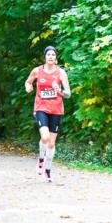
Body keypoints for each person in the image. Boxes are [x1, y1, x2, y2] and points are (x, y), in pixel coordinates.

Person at [24, 46, 70, 183]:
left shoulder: (61, 73)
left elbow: (68, 94)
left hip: (56, 110)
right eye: (48, 54)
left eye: (53, 55)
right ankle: (41, 159)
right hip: (41, 108)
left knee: (51, 143)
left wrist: (60, 91)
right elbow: (28, 82)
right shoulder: (37, 71)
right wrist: (28, 87)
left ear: (56, 58)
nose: (50, 56)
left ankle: (48, 170)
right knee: (44, 137)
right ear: (45, 57)